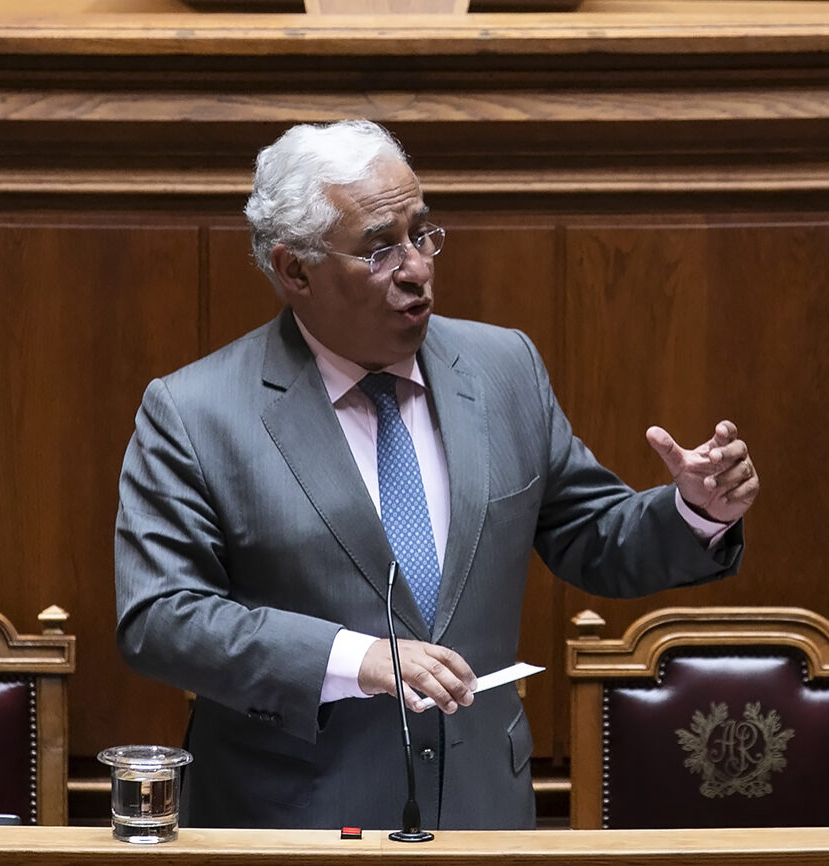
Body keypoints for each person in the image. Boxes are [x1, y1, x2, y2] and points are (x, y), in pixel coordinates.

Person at [114, 119, 759, 831]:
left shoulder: (503, 367)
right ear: (293, 270)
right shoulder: (195, 411)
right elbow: (160, 618)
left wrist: (695, 510)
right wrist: (355, 659)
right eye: (379, 248)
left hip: (481, 810)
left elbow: (591, 537)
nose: (416, 267)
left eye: (422, 234)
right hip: (294, 819)